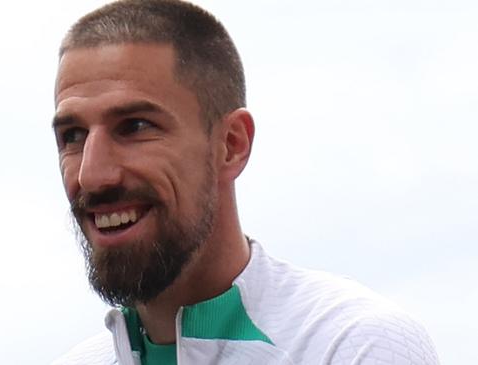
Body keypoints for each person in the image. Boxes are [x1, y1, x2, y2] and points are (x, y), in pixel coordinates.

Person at [51, 0, 439, 364]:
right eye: (72, 135)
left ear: (231, 145)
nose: (93, 175)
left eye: (135, 127)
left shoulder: (350, 344)